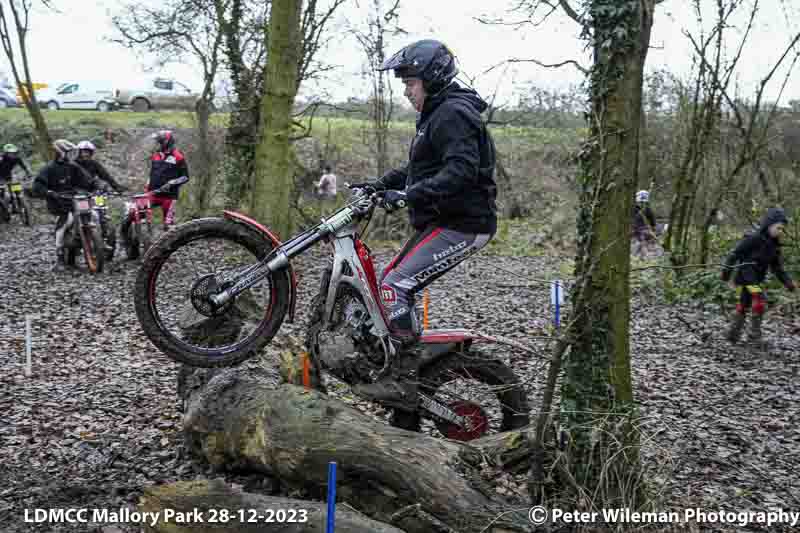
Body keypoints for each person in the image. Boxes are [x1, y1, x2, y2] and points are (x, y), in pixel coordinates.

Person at [350, 39, 498, 410]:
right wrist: (381, 185)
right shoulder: (436, 114)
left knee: (393, 286)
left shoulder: (452, 115)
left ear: (431, 78)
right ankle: (411, 367)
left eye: (410, 82)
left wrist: (407, 196)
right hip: (446, 221)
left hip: (463, 223)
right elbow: (418, 170)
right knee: (393, 284)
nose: (405, 90)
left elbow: (461, 172)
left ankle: (403, 379)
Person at [721, 207, 796, 348]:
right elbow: (734, 254)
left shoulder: (774, 246)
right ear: (769, 225)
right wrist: (726, 274)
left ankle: (732, 335)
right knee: (760, 300)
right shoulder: (753, 238)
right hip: (746, 277)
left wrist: (788, 283)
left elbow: (777, 268)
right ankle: (754, 337)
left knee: (744, 304)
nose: (780, 231)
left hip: (756, 279)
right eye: (778, 228)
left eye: (782, 229)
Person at [31, 139, 107, 268]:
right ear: (59, 152)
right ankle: (59, 253)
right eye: (68, 152)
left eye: (72, 152)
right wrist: (50, 193)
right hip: (58, 202)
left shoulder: (73, 166)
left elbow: (87, 179)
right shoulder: (49, 168)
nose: (71, 155)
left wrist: (98, 185)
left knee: (93, 214)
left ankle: (96, 242)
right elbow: (37, 186)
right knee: (65, 222)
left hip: (74, 199)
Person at [121, 130, 189, 241]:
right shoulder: (156, 156)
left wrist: (172, 183)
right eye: (157, 142)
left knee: (169, 226)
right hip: (152, 193)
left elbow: (185, 177)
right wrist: (148, 185)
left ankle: (167, 250)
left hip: (169, 197)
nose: (157, 144)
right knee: (134, 212)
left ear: (166, 142)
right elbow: (153, 173)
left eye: (159, 142)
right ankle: (125, 236)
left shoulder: (178, 157)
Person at [0, 143, 32, 211]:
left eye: (13, 152)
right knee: (2, 192)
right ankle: (3, 209)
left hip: (9, 175)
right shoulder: (1, 159)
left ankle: (19, 203)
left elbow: (23, 166)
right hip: (0, 176)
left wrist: (28, 173)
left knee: (16, 188)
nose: (12, 154)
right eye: (10, 153)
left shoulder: (17, 158)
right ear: (6, 153)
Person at [632, 189, 657, 258]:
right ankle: (639, 256)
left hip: (643, 230)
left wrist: (653, 229)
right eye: (641, 202)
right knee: (638, 244)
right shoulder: (634, 208)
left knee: (645, 243)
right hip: (635, 230)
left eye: (643, 203)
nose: (642, 204)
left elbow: (652, 221)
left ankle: (644, 256)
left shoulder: (647, 209)